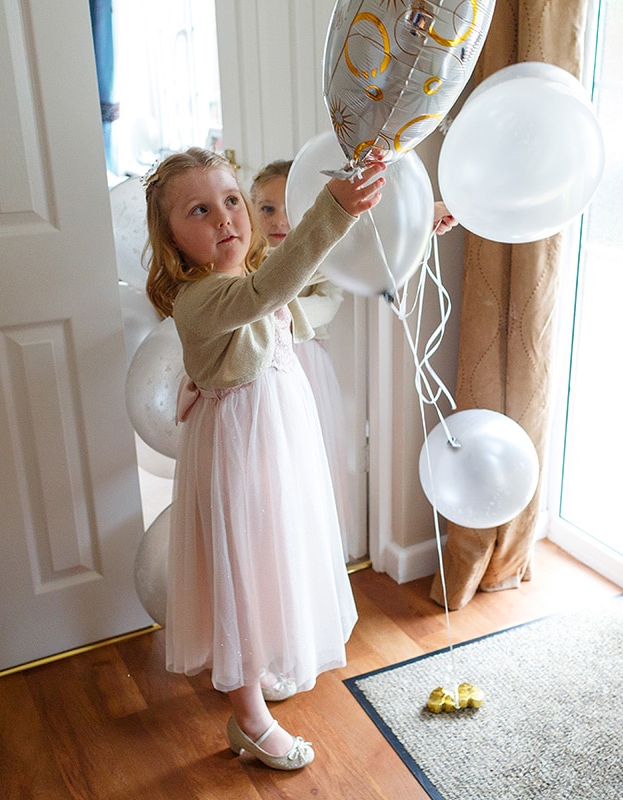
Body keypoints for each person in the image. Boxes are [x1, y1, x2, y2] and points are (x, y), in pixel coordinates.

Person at [142, 147, 385, 771]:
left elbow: (297, 274)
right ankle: (249, 718)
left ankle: (261, 675)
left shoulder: (246, 274)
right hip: (238, 455)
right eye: (200, 210)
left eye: (231, 200)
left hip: (275, 446)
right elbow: (272, 286)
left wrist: (419, 212)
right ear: (172, 241)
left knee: (272, 560)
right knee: (241, 577)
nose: (226, 217)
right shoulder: (204, 298)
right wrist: (333, 208)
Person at [249, 161, 459, 566]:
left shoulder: (323, 250)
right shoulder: (247, 258)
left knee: (310, 460)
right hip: (256, 371)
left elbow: (328, 298)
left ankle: (310, 552)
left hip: (305, 367)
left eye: (289, 207)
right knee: (267, 468)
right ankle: (271, 550)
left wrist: (419, 218)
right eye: (266, 208)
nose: (278, 220)